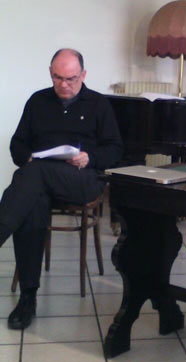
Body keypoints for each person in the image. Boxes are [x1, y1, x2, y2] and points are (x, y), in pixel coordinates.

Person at [0, 48, 123, 330]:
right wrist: (28, 157)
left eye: (70, 79)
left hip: (81, 180)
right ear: (50, 73)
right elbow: (17, 145)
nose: (63, 84)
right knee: (32, 204)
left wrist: (90, 157)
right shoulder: (38, 101)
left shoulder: (99, 104)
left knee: (31, 176)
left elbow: (116, 149)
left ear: (83, 75)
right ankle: (28, 298)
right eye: (57, 78)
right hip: (41, 182)